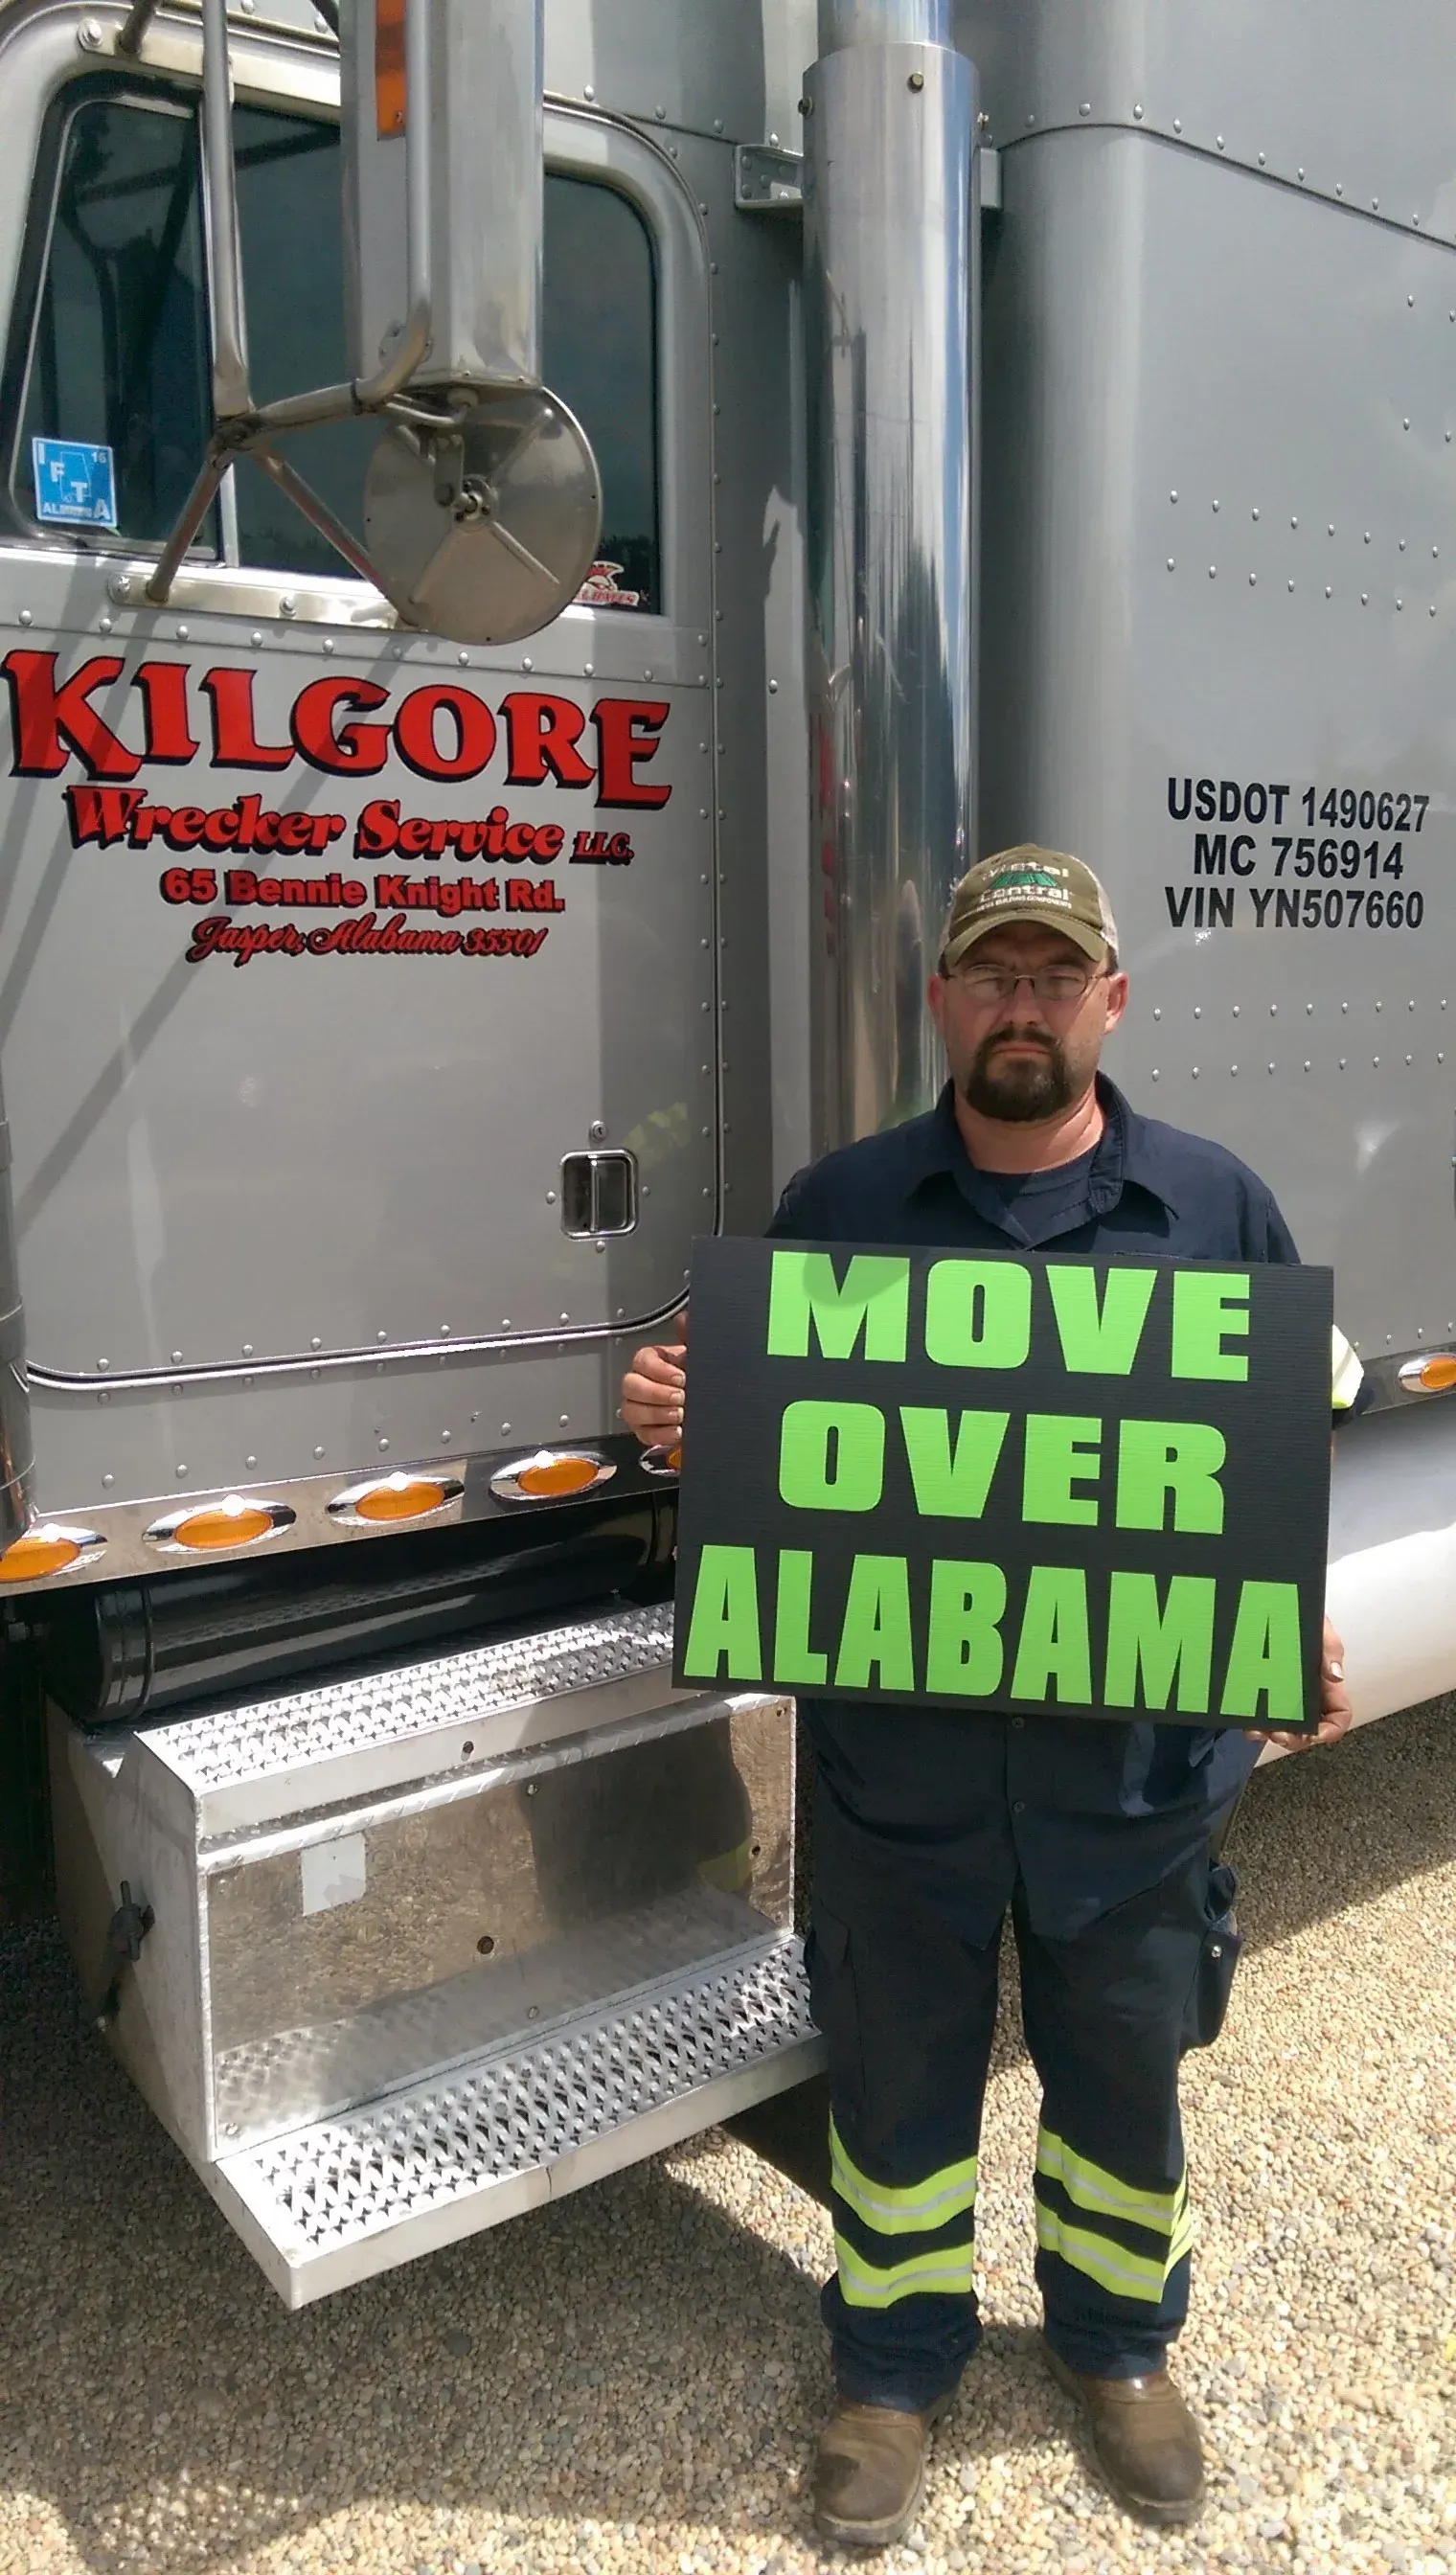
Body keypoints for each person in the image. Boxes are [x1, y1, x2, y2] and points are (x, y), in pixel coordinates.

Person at [620, 848, 1361, 2551]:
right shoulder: (840, 1210)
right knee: (895, 2085)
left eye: (1054, 974)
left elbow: (1268, 1460)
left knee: (1124, 2078)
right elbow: (793, 1449)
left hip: (1136, 1776)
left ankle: (1117, 2349)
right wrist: (693, 1416)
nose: (1021, 1005)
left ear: (1109, 999)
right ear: (944, 1000)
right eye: (991, 974)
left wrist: (1289, 1623)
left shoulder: (1219, 1207)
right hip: (905, 1777)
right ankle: (888, 2373)